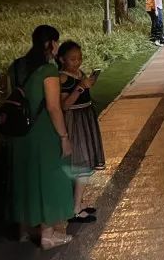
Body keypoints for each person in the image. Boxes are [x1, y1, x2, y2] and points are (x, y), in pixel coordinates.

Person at [7, 25, 75, 249]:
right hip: (43, 133)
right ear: (52, 44)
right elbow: (54, 108)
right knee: (50, 179)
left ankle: (23, 230)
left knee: (24, 178)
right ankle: (47, 235)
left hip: (18, 133)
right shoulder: (48, 71)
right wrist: (64, 137)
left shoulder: (15, 67)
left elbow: (12, 100)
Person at [57, 41, 105, 223]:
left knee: (86, 162)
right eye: (72, 59)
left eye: (79, 58)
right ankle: (75, 209)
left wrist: (88, 83)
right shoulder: (62, 78)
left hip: (86, 117)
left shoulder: (79, 74)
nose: (77, 62)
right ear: (61, 59)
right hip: (75, 121)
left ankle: (79, 203)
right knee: (81, 164)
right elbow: (65, 105)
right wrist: (81, 87)